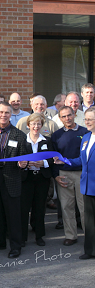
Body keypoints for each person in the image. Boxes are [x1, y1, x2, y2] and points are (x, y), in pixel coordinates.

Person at [0, 102, 27, 259]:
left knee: (13, 214)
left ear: (11, 115)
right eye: (1, 112)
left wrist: (23, 163)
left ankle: (15, 245)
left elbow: (23, 157)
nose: (3, 115)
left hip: (11, 178)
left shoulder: (19, 135)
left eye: (7, 113)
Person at [55, 107, 95, 259]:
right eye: (86, 119)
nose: (87, 122)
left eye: (90, 119)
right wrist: (64, 160)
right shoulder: (86, 138)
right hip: (87, 184)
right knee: (90, 219)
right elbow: (81, 160)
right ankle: (90, 250)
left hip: (92, 182)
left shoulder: (84, 133)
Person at [51, 106, 88, 246]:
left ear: (74, 115)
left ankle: (89, 235)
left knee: (84, 207)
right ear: (60, 118)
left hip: (81, 174)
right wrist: (55, 176)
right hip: (63, 174)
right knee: (67, 207)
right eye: (64, 116)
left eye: (69, 115)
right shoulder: (56, 135)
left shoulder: (85, 132)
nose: (67, 118)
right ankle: (71, 235)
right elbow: (53, 159)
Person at [20, 113, 53, 247]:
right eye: (33, 124)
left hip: (41, 179)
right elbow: (18, 158)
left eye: (38, 124)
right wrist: (23, 163)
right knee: (24, 208)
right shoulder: (22, 141)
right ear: (28, 125)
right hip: (26, 179)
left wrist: (43, 163)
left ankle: (39, 235)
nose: (36, 126)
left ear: (42, 125)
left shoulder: (47, 141)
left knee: (39, 208)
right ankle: (22, 237)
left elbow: (52, 158)